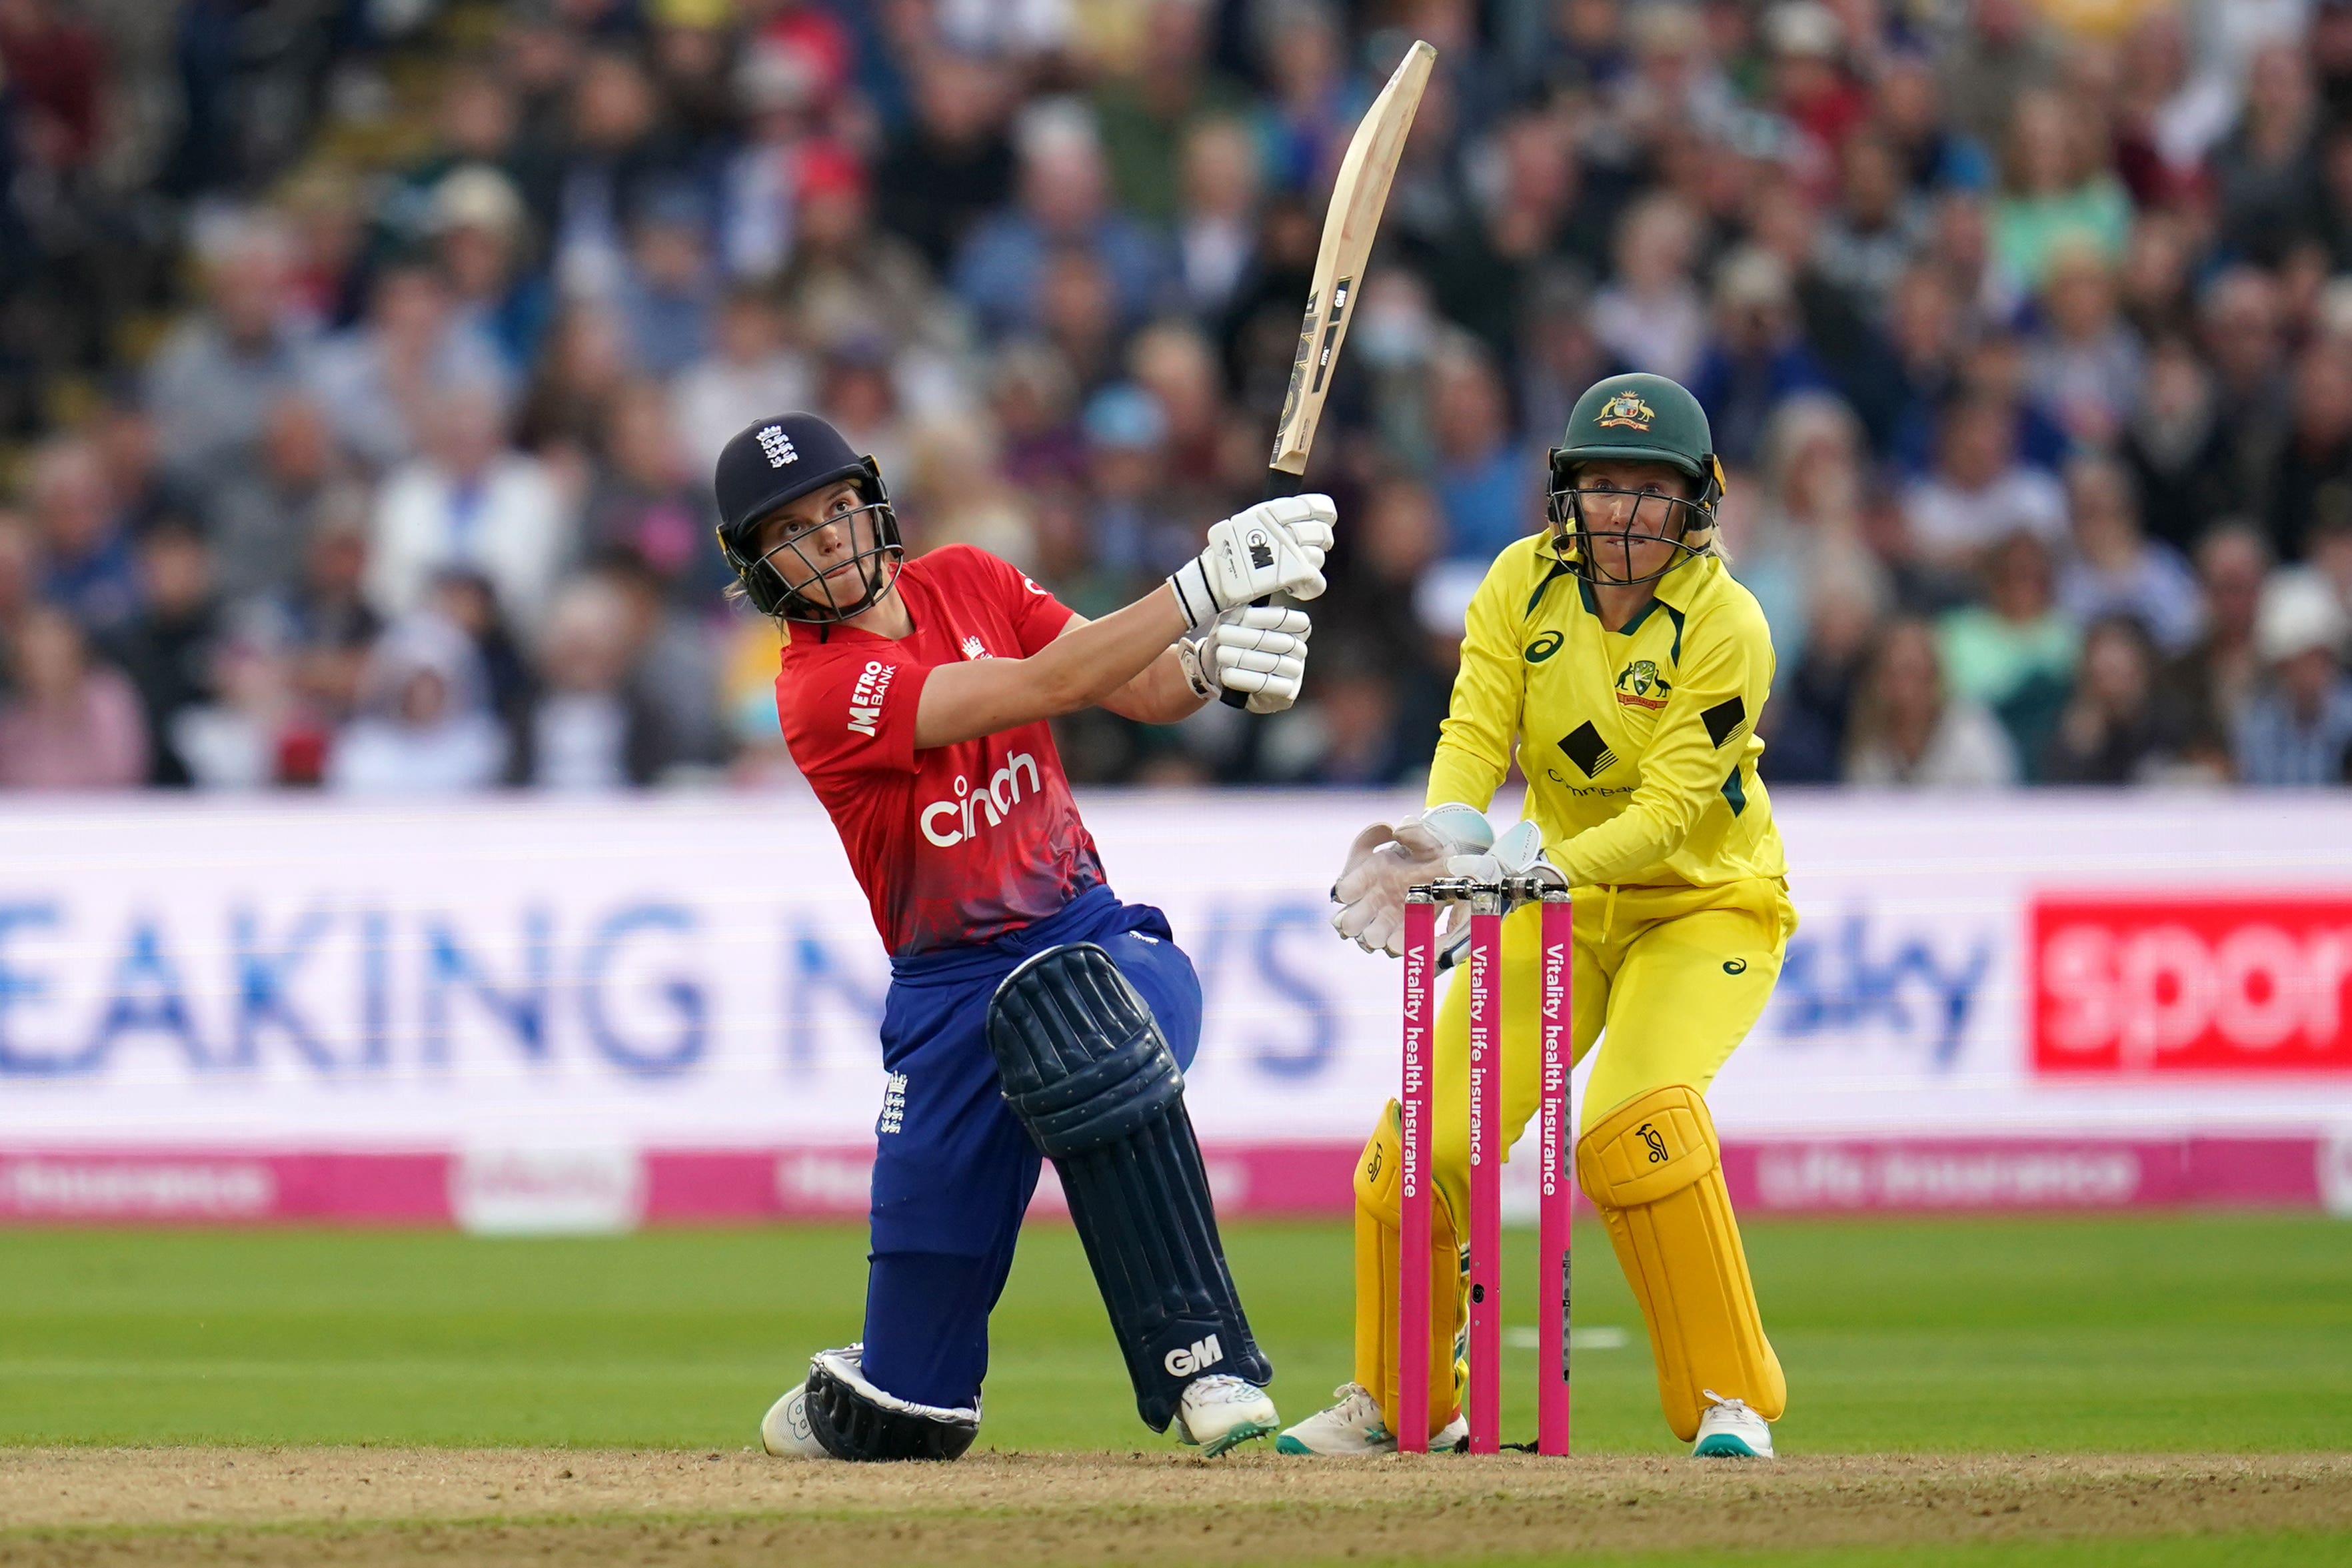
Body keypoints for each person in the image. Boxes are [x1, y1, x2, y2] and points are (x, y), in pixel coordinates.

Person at [719, 412, 1330, 1462]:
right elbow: (1049, 685)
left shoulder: (972, 578)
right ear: (759, 568)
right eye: (791, 530)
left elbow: (1134, 686)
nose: (825, 538)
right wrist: (1197, 591)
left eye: (835, 508)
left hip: (1097, 942)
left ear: (871, 504)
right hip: (947, 1000)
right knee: (915, 1415)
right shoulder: (816, 690)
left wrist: (1211, 664)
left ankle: (1206, 1357)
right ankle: (867, 1388)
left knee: (1073, 1024)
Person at [1293, 375, 1793, 1460]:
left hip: (1703, 905)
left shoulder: (1728, 624)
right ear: (1567, 493)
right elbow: (1476, 729)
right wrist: (1449, 835)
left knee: (1631, 1123)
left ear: (1696, 502)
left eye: (1648, 491)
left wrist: (1524, 865)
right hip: (1553, 900)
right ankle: (1401, 1404)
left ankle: (1729, 1399)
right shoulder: (1519, 582)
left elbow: (1665, 816)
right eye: (1603, 487)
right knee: (1423, 1137)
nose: (1623, 513)